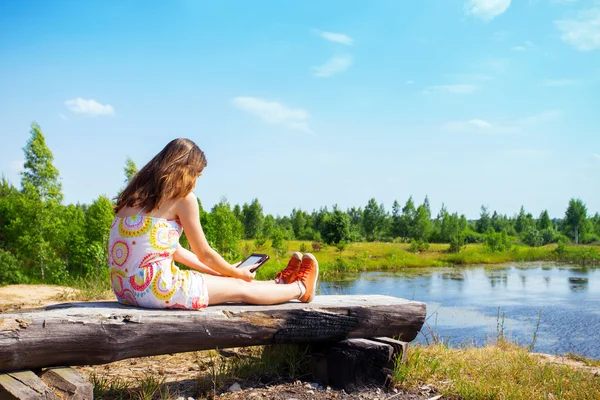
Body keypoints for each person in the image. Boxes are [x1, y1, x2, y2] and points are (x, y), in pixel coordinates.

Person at [107, 138, 318, 310]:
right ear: (185, 170)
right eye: (197, 174)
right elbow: (204, 253)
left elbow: (175, 251)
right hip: (158, 288)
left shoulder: (131, 200)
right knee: (238, 287)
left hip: (127, 290)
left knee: (230, 281)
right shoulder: (183, 198)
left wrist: (224, 271)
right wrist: (235, 274)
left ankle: (279, 285)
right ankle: (301, 288)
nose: (196, 181)